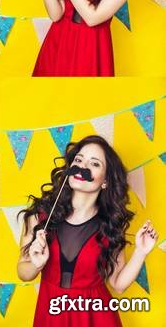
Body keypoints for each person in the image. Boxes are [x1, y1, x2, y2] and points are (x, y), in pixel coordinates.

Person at [18, 136, 158, 325]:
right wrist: (36, 264)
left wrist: (141, 252)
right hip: (50, 314)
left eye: (94, 163)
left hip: (95, 317)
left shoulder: (110, 226)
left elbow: (118, 284)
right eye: (78, 160)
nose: (82, 167)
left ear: (105, 181)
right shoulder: (40, 215)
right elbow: (23, 272)